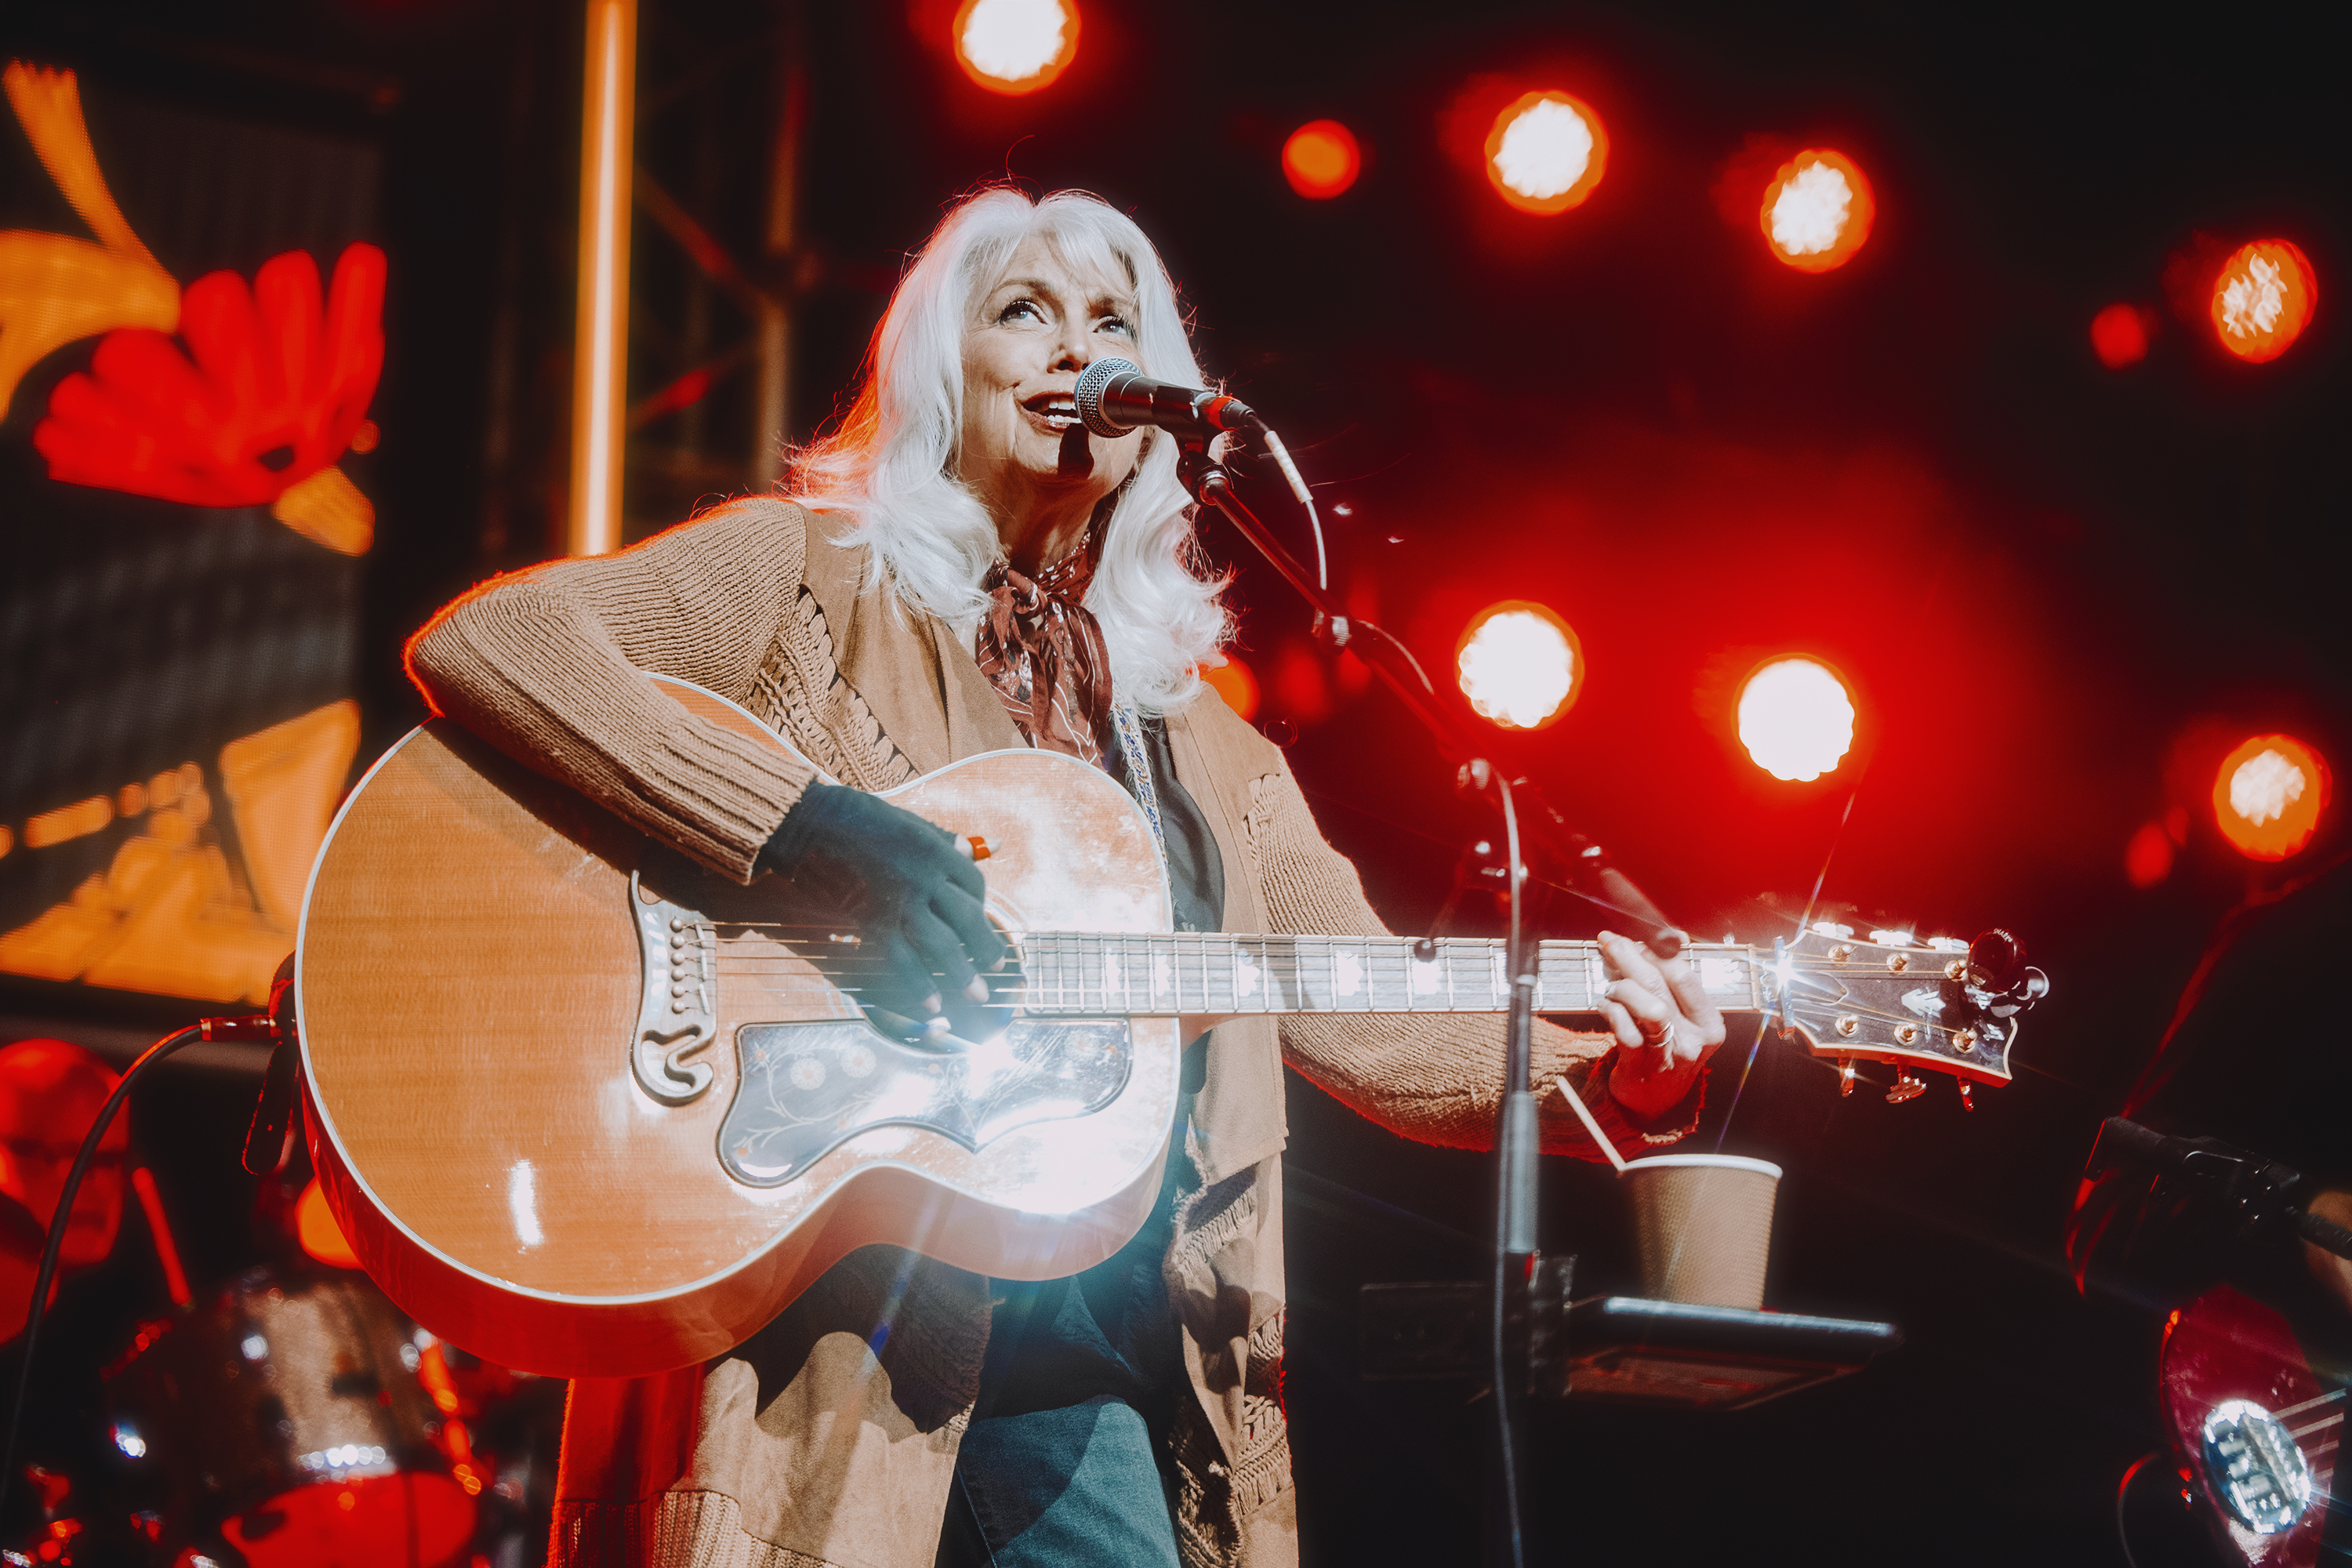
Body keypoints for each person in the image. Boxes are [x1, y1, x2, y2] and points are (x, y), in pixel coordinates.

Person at [407, 187, 1724, 1568]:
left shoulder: (1208, 746)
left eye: (1112, 323)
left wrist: (1615, 1075)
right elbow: (492, 644)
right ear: (943, 365)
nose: (1075, 351)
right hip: (827, 1305)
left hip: (1092, 1342)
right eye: (1023, 311)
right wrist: (803, 831)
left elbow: (1368, 1014)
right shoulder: (800, 576)